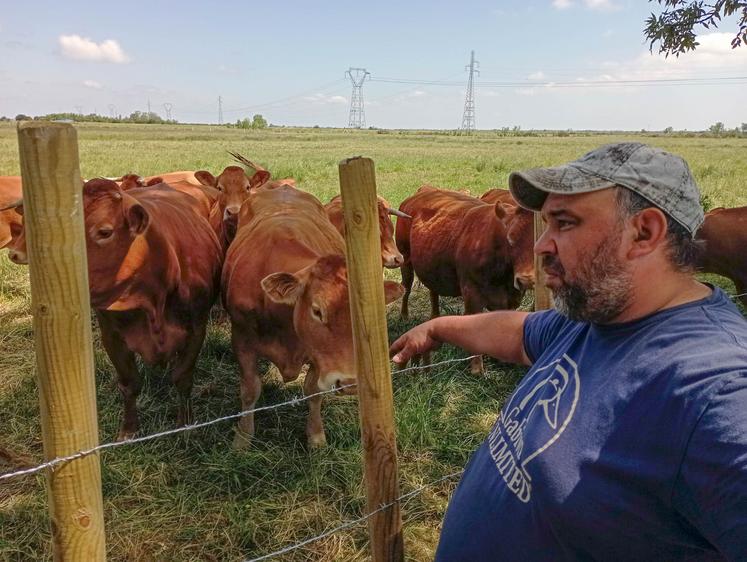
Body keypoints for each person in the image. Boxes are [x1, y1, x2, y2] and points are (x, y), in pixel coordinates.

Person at [390, 142, 747, 561]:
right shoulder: (599, 317)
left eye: (564, 223)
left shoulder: (716, 389)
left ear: (644, 233)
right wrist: (438, 327)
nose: (540, 246)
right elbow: (520, 331)